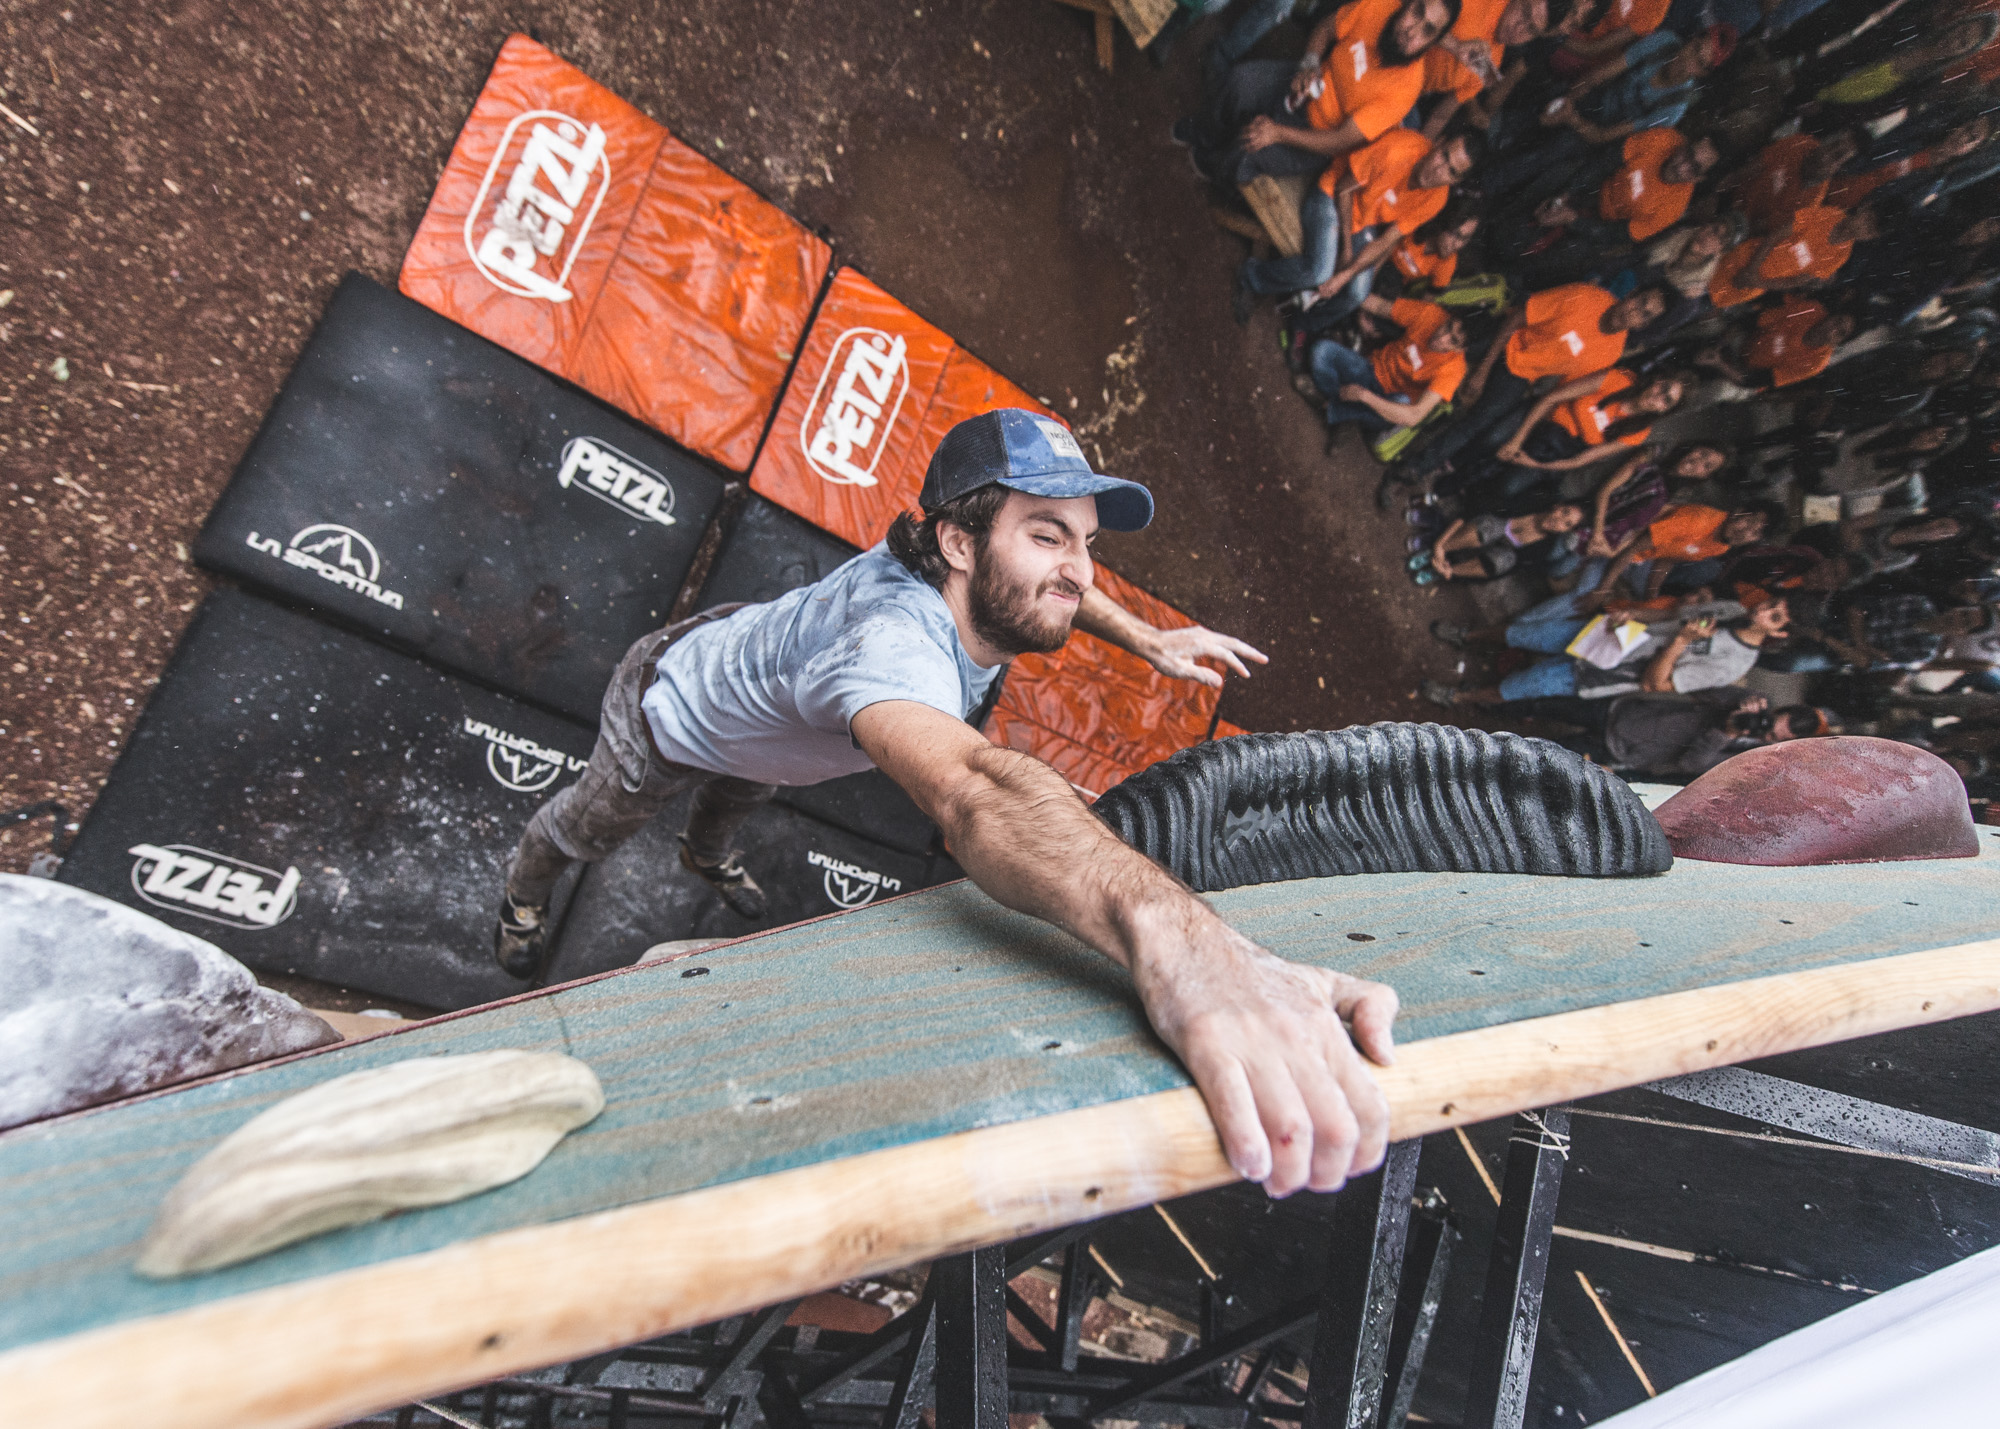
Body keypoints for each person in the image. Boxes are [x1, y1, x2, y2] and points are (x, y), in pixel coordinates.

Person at [499, 411, 1395, 1197]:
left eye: (1086, 542)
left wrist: (1148, 637)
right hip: (667, 712)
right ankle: (523, 897)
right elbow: (973, 794)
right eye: (1048, 535)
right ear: (960, 544)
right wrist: (1190, 950)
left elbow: (1060, 584)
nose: (1078, 570)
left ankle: (706, 853)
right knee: (586, 825)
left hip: (770, 715)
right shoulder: (893, 647)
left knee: (738, 800)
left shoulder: (973, 572)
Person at [1393, 281, 1673, 494]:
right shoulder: (1585, 296)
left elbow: (1561, 387)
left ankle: (1411, 469)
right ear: (1631, 295)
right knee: (1439, 354)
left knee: (1479, 421)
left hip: (1520, 375)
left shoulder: (1612, 352)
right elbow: (1519, 317)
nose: (1635, 313)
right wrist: (1483, 369)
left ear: (1643, 325)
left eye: (1644, 315)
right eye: (1639, 303)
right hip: (1503, 340)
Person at [1179, 0, 1463, 187]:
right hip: (1303, 83)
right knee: (1239, 81)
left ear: (1434, 43)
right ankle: (1202, 133)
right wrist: (1310, 62)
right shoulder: (1379, 6)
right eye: (1417, 12)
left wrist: (1278, 133)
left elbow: (1338, 141)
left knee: (1244, 150)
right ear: (1408, 3)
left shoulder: (1407, 89)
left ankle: (1210, 167)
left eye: (1427, 31)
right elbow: (1327, 28)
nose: (1411, 31)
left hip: (1314, 135)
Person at [1240, 128, 1484, 317]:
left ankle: (1301, 323)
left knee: (1357, 293)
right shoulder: (1398, 150)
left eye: (1451, 171)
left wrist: (1346, 274)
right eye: (1444, 156)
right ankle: (1251, 277)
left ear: (1455, 181)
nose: (1438, 170)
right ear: (1438, 143)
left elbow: (1386, 241)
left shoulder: (1437, 198)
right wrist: (1346, 248)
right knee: (1320, 271)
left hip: (1363, 221)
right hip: (1331, 194)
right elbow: (1343, 188)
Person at [1422, 588, 1792, 701]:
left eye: (1774, 617)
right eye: (1771, 603)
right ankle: (1466, 638)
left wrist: (1682, 641)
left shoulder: (1735, 665)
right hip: (1609, 636)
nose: (1763, 610)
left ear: (1779, 635)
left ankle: (1457, 697)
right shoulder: (1730, 609)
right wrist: (1632, 613)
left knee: (1527, 685)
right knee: (1527, 633)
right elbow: (1671, 614)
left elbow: (1656, 685)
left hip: (1608, 671)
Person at [1505, 689, 1833, 773]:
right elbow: (1700, 689)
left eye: (1772, 738)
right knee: (1537, 704)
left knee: (1536, 754)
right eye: (1770, 724)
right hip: (1624, 712)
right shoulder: (1750, 703)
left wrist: (1725, 732)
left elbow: (1691, 764)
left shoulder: (1748, 756)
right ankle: (1488, 708)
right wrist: (1737, 703)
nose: (1763, 732)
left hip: (1621, 750)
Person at [1309, 292, 1471, 432]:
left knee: (1401, 404)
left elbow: (1414, 416)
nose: (1442, 338)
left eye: (1453, 340)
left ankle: (1331, 409)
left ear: (1460, 349)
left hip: (1389, 401)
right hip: (1370, 370)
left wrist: (1365, 397)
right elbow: (1379, 306)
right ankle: (1342, 414)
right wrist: (1348, 290)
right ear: (1448, 318)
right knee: (1321, 351)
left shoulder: (1455, 369)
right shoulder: (1432, 314)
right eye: (1448, 327)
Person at [1707, 202, 1881, 307]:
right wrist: (1751, 270)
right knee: (1704, 275)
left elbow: (1795, 281)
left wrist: (1756, 282)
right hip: (1745, 259)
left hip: (1752, 285)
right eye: (1867, 220)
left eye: (1869, 231)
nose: (1862, 228)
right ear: (1863, 210)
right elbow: (1777, 234)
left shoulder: (1841, 257)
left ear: (1869, 238)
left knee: (1709, 303)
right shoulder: (1828, 214)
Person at [1412, 502, 1588, 581]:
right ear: (1557, 506)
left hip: (1497, 550)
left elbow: (1503, 570)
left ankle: (1441, 571)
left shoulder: (1543, 548)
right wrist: (1440, 544)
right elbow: (1473, 510)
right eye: (1564, 512)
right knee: (1489, 527)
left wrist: (1452, 573)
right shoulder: (1531, 501)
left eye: (1567, 524)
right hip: (1486, 527)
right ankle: (1434, 552)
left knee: (1505, 561)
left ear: (1565, 532)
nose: (1558, 521)